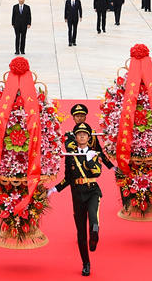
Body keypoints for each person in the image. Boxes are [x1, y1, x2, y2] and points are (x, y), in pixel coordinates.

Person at [49, 122, 103, 276]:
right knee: (80, 232)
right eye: (79, 134)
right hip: (77, 194)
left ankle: (94, 237)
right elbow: (68, 178)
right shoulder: (70, 156)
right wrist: (55, 189)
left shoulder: (94, 154)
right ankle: (86, 263)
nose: (82, 136)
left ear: (88, 137)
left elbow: (97, 173)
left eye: (85, 134)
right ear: (76, 138)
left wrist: (89, 159)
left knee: (93, 219)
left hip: (92, 191)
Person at [65, 104, 114, 169]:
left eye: (82, 116)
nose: (79, 118)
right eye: (77, 116)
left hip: (91, 166)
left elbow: (98, 150)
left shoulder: (92, 134)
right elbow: (70, 149)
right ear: (73, 118)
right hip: (76, 167)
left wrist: (110, 166)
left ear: (85, 117)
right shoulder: (69, 134)